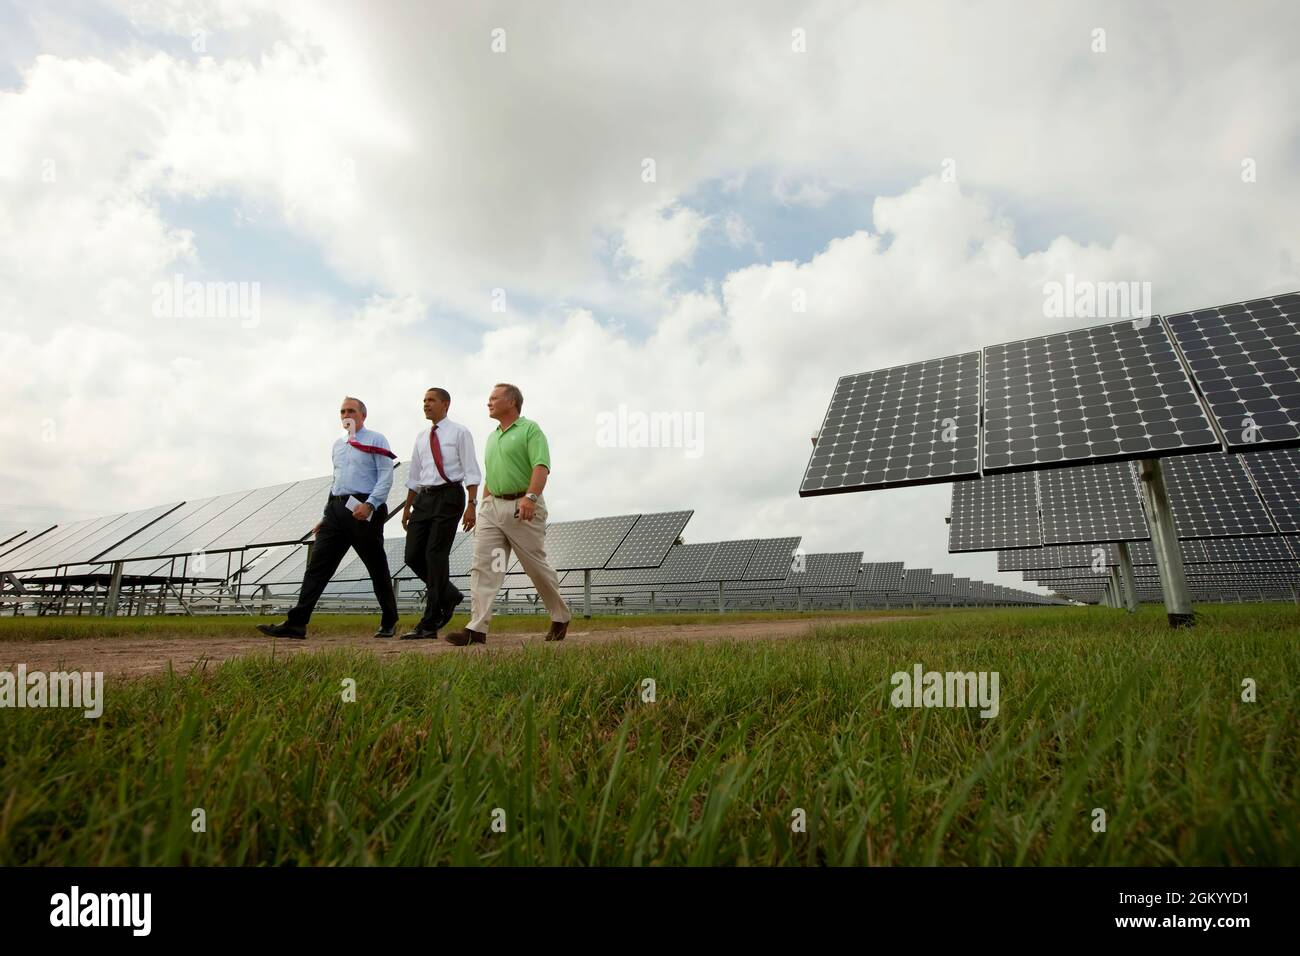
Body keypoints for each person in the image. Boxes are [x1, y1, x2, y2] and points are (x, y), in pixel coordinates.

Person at [257, 396, 399, 639]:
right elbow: (336, 482)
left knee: (375, 565)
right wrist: (326, 515)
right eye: (343, 411)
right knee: (317, 566)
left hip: (362, 509)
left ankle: (389, 619)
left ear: (363, 415)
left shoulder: (376, 439)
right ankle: (297, 623)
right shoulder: (338, 445)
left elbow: (385, 476)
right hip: (336, 510)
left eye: (352, 411)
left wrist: (371, 504)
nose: (347, 415)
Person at [444, 383, 571, 645]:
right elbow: (491, 475)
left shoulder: (529, 430)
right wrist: (483, 505)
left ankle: (560, 616)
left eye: (494, 398)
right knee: (485, 566)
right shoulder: (492, 437)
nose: (488, 402)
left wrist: (531, 497)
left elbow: (541, 466)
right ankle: (477, 628)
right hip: (492, 509)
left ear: (511, 402)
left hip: (522, 507)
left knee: (534, 567)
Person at [399, 387, 481, 639]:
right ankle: (449, 593)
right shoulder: (422, 437)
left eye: (431, 400)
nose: (426, 404)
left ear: (445, 404)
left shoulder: (460, 432)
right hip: (424, 499)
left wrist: (471, 504)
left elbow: (471, 469)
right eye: (424, 400)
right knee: (413, 555)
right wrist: (407, 505)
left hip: (449, 497)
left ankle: (430, 622)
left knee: (435, 555)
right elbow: (415, 474)